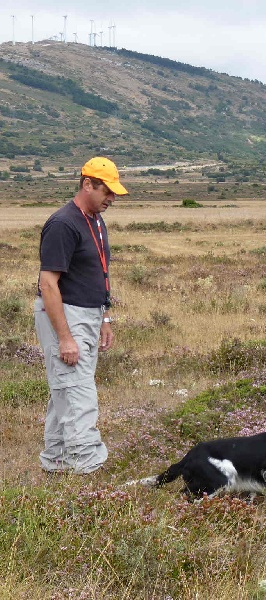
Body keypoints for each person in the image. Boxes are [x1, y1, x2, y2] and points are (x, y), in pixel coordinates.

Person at [34, 157, 128, 474]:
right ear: (87, 184)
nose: (112, 199)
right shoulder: (63, 224)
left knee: (67, 389)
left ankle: (57, 462)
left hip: (89, 315)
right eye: (108, 191)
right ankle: (86, 467)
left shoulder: (95, 220)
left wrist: (104, 318)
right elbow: (48, 284)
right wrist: (65, 337)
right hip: (65, 315)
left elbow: (99, 270)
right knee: (78, 393)